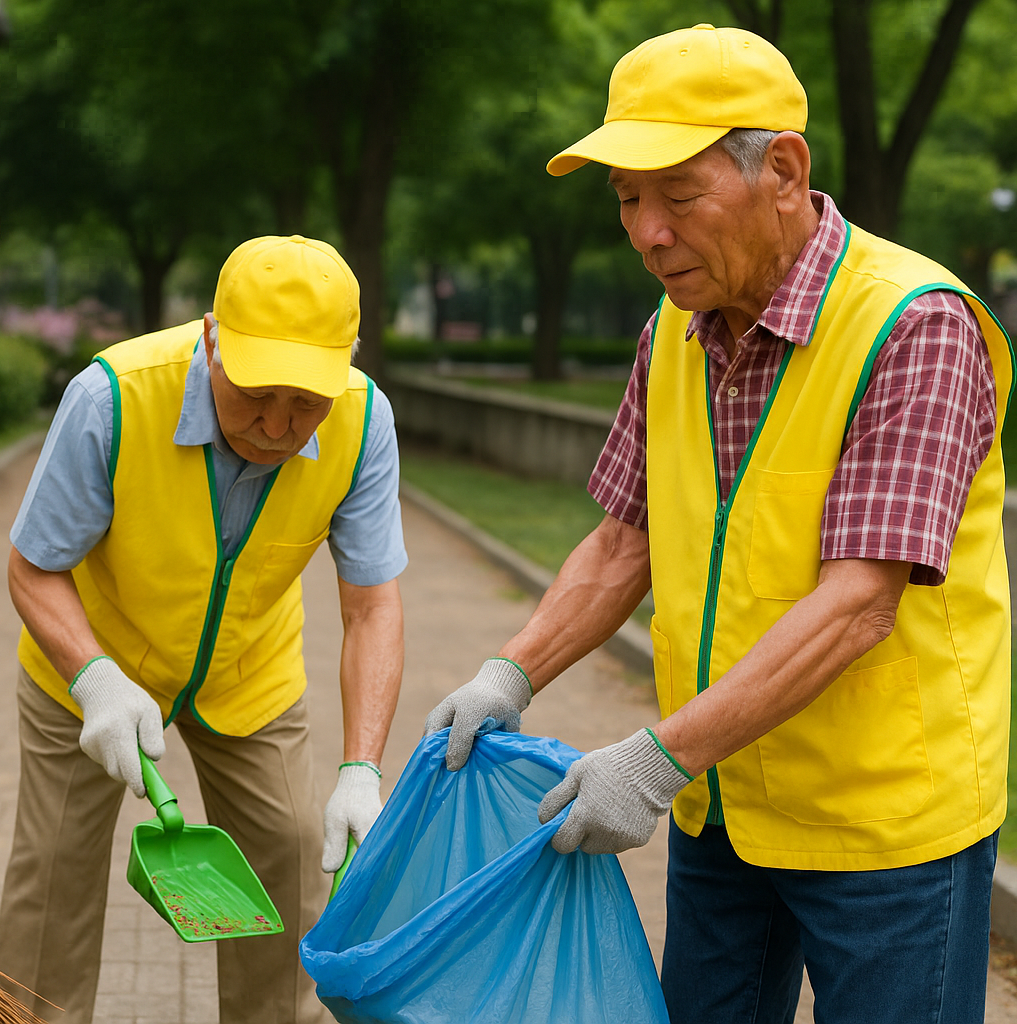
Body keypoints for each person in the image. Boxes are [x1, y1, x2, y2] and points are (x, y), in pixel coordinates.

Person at [424, 24, 1009, 1024]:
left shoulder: (914, 323)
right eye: (626, 202)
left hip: (882, 826)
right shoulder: (673, 333)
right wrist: (510, 671)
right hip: (723, 802)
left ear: (783, 168)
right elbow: (624, 539)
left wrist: (655, 758)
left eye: (678, 195)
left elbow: (858, 604)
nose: (648, 232)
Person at [0, 234, 406, 1024]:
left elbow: (372, 605)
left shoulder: (362, 421)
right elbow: (32, 567)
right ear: (212, 337)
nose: (280, 426)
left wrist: (363, 768)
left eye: (305, 401)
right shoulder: (112, 397)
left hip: (251, 674)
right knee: (53, 875)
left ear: (347, 358)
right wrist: (96, 680)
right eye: (255, 394)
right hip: (87, 668)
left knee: (288, 857)